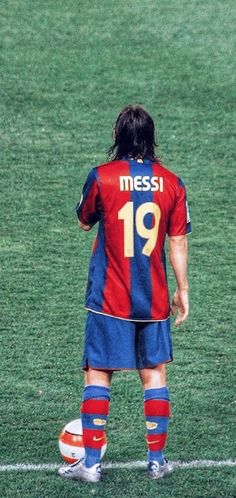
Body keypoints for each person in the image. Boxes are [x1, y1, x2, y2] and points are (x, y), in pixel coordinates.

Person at [58, 104, 191, 483]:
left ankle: (91, 465)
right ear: (152, 139)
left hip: (109, 297)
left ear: (117, 137)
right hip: (153, 299)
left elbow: (85, 222)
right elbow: (177, 242)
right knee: (154, 373)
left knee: (98, 372)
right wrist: (182, 290)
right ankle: (156, 462)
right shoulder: (172, 182)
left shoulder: (102, 177)